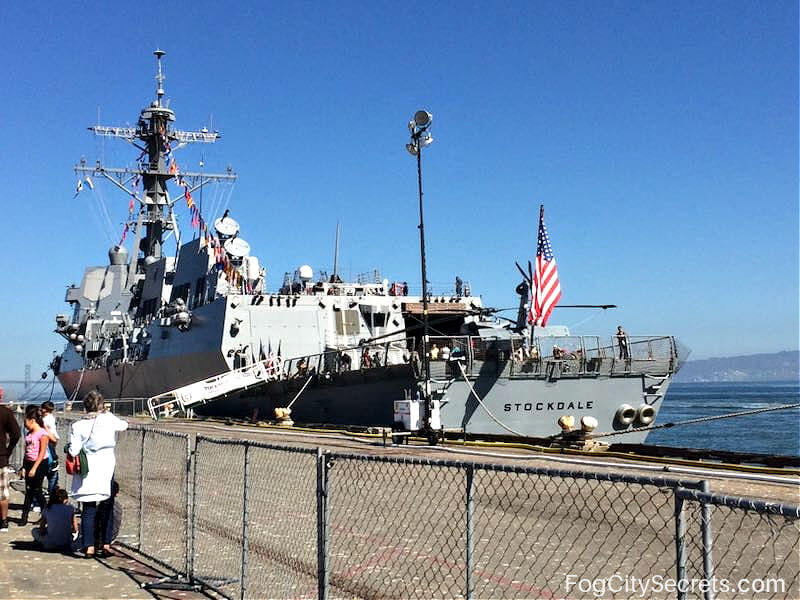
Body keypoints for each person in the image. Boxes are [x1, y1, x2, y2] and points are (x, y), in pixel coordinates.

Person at [68, 391, 128, 558]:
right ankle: (106, 544)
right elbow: (124, 425)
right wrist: (107, 414)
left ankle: (89, 547)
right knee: (107, 505)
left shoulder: (77, 426)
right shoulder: (107, 420)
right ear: (101, 405)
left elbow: (73, 450)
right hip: (106, 466)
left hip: (87, 469)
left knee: (88, 508)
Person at [21, 405, 49, 525]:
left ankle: (46, 513)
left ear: (32, 420)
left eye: (25, 422)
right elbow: (26, 449)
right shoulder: (29, 433)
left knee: (36, 490)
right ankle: (24, 517)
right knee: (29, 491)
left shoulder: (42, 433)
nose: (25, 425)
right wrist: (24, 466)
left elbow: (42, 452)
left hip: (39, 463)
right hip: (28, 461)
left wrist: (34, 468)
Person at [0, 388, 21, 532]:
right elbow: (16, 434)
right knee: (3, 492)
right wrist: (9, 450)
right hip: (1, 457)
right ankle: (4, 521)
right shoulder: (6, 413)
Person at [32, 486, 77, 552]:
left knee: (34, 530)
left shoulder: (47, 509)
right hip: (66, 544)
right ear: (65, 499)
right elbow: (75, 529)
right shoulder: (70, 509)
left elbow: (42, 528)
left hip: (50, 544)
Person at [40, 401, 60, 496]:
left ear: (45, 409)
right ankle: (52, 495)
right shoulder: (51, 418)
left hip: (48, 441)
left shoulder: (45, 420)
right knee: (53, 475)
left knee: (43, 473)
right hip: (52, 440)